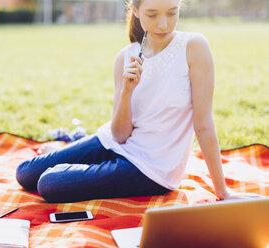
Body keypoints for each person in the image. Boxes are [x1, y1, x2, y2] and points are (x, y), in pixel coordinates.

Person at [16, 0, 262, 203]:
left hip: (151, 168)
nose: (163, 24)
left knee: (48, 183)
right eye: (152, 15)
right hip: (114, 142)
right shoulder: (125, 57)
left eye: (172, 13)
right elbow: (119, 135)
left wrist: (224, 193)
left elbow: (204, 125)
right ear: (135, 10)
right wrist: (127, 91)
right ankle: (76, 142)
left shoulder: (194, 47)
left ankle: (75, 143)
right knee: (25, 173)